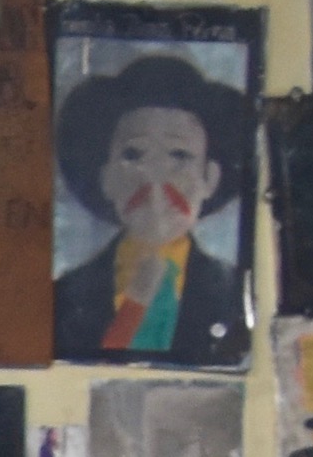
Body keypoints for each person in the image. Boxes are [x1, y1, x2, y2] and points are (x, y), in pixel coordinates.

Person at [50, 53, 253, 366]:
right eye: (134, 155)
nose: (155, 176)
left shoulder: (235, 293)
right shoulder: (64, 296)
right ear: (106, 178)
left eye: (179, 156)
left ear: (210, 178)